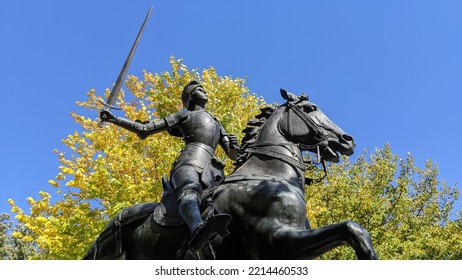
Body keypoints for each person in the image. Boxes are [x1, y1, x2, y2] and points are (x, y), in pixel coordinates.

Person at [100, 81, 239, 251]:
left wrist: (233, 145)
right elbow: (144, 129)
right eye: (198, 90)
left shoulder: (216, 122)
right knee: (189, 191)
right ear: (190, 97)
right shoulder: (183, 115)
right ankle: (197, 229)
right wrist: (114, 119)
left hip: (213, 170)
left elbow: (233, 154)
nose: (204, 91)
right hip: (189, 161)